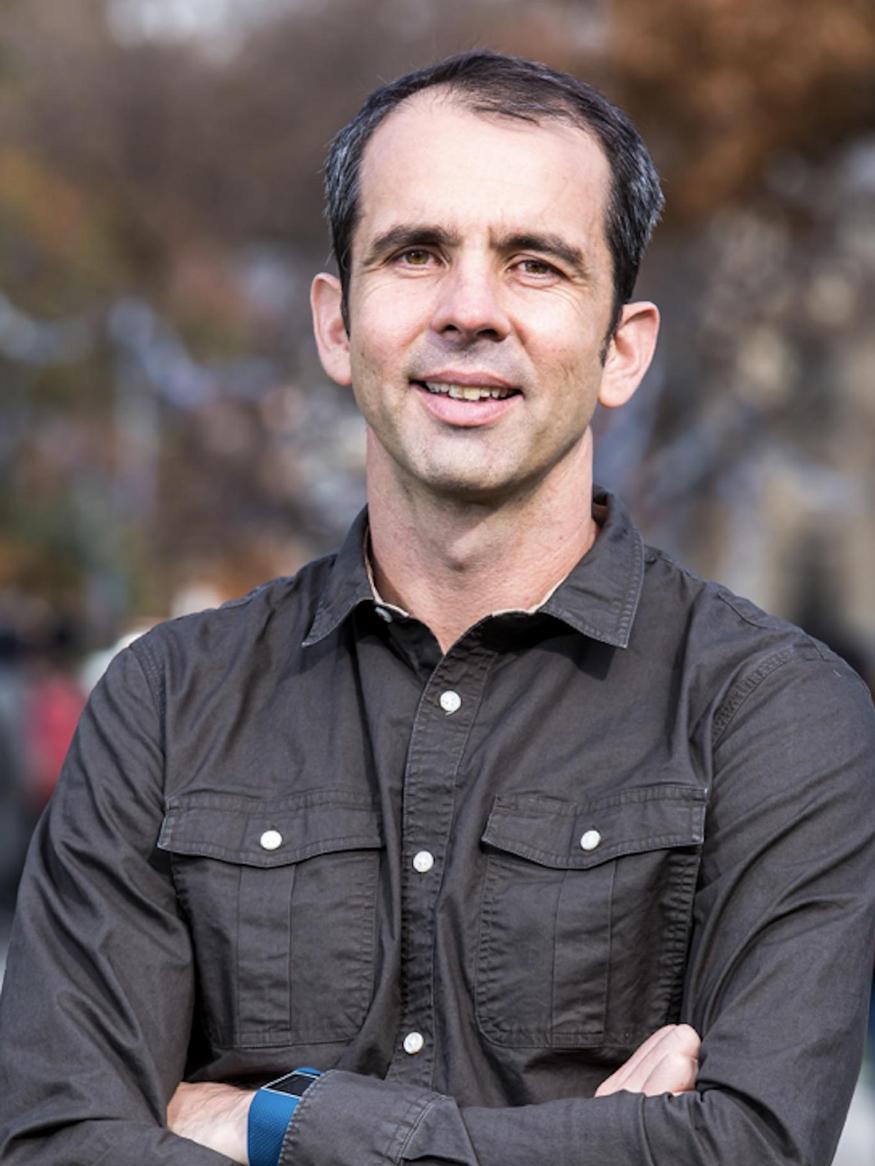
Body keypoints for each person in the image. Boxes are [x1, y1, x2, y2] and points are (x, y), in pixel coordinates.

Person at [1, 50, 874, 1166]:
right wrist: (613, 1142)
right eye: (415, 253)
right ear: (334, 321)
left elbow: (744, 1146)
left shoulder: (770, 713)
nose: (470, 310)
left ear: (622, 347)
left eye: (535, 264)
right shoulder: (164, 702)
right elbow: (60, 1144)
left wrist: (270, 1120)